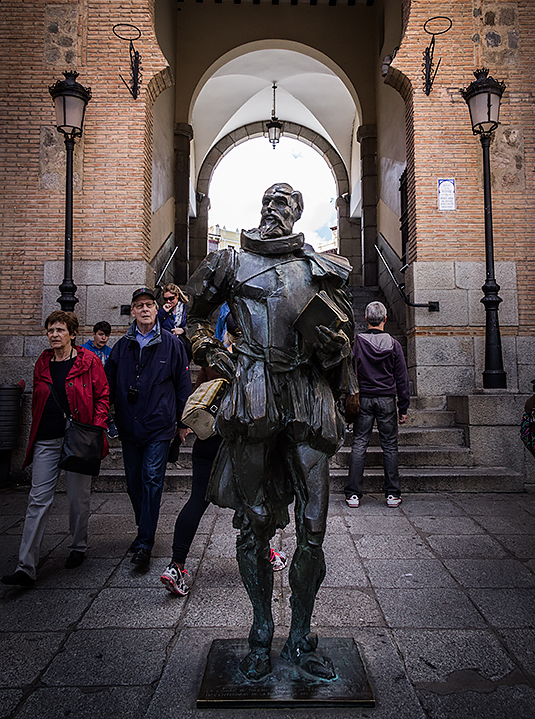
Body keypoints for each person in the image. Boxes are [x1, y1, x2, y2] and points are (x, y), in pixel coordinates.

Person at [184, 183, 354, 681]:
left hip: (305, 391)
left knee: (314, 528)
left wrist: (335, 348)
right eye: (267, 201)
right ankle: (261, 630)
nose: (273, 209)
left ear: (299, 212)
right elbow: (193, 316)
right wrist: (208, 350)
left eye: (284, 202)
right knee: (254, 522)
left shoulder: (320, 268)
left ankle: (301, 634)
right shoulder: (229, 263)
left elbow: (343, 344)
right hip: (254, 390)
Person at [160, 315, 287, 597]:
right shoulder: (258, 362)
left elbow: (199, 393)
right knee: (254, 501)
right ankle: (266, 553)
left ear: (227, 332)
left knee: (196, 501)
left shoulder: (213, 359)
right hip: (242, 446)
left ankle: (176, 565)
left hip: (208, 441)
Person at [1, 311, 109, 587]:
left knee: (77, 497)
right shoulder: (43, 362)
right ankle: (26, 566)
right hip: (46, 438)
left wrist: (95, 429)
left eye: (60, 330)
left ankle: (78, 546)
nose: (54, 334)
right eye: (50, 330)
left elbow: (103, 396)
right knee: (38, 498)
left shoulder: (88, 361)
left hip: (78, 437)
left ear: (72, 334)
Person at [105, 287, 192, 568]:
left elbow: (182, 384)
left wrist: (182, 422)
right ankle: (145, 528)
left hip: (159, 425)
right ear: (132, 311)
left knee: (152, 480)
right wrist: (106, 417)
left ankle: (144, 544)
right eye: (139, 305)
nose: (144, 309)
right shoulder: (121, 346)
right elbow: (107, 384)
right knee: (133, 485)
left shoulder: (171, 343)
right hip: (129, 426)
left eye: (149, 305)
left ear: (157, 310)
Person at [344, 301, 409, 509]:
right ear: (385, 319)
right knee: (389, 446)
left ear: (366, 318)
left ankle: (353, 495)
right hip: (387, 400)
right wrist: (404, 407)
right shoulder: (394, 344)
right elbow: (402, 378)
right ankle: (392, 495)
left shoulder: (357, 342)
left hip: (363, 399)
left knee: (359, 444)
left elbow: (349, 374)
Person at [83, 321, 118, 438]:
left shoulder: (110, 351)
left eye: (107, 335)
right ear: (93, 334)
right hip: (88, 385)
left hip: (106, 386)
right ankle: (109, 421)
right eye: (101, 334)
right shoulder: (83, 350)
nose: (104, 338)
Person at [158, 283, 193, 362]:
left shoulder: (187, 308)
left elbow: (194, 324)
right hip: (167, 346)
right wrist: (163, 312)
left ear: (177, 295)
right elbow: (154, 324)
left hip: (183, 346)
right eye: (165, 299)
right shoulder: (163, 310)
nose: (168, 301)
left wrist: (183, 330)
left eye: (171, 298)